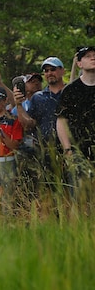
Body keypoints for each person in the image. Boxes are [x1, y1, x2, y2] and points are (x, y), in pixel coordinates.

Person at [14, 57, 66, 198]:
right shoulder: (38, 97)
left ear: (62, 71)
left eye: (53, 69)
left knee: (69, 191)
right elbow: (29, 124)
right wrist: (18, 105)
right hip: (43, 152)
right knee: (47, 193)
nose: (49, 73)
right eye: (46, 70)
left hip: (67, 150)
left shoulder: (70, 92)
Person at [56, 46, 95, 198]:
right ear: (79, 64)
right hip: (78, 152)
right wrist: (67, 150)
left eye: (94, 55)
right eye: (87, 56)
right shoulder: (70, 90)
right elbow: (61, 121)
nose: (93, 58)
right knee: (79, 200)